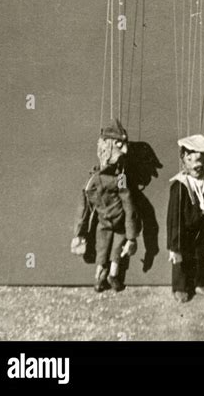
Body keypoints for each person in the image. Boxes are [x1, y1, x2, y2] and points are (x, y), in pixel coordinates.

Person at [71, 119, 140, 293]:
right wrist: (78, 234)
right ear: (108, 147)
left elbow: (128, 204)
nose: (124, 150)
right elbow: (84, 207)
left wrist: (131, 236)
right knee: (106, 251)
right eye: (119, 145)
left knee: (113, 250)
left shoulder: (106, 179)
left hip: (111, 224)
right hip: (110, 224)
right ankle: (103, 277)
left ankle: (109, 276)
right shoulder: (99, 180)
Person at [167, 134, 204, 303]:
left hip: (202, 230)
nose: (197, 166)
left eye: (200, 161)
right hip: (183, 231)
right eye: (192, 160)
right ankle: (180, 287)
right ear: (184, 160)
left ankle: (200, 282)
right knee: (180, 259)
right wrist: (174, 246)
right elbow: (174, 218)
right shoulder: (180, 185)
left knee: (201, 257)